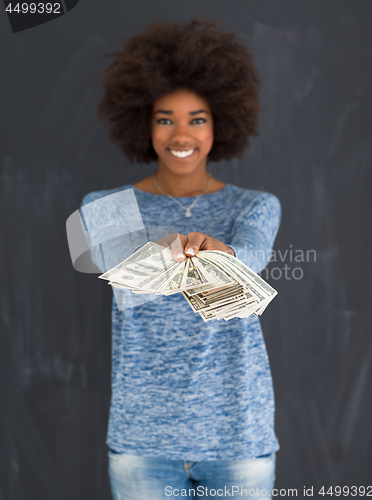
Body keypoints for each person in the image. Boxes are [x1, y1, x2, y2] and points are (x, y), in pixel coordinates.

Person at [81, 18, 282, 500]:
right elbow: (116, 265)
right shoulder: (103, 206)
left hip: (237, 436)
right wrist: (161, 252)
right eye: (164, 118)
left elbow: (253, 252)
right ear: (143, 123)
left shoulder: (254, 205)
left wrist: (224, 255)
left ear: (221, 124)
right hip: (142, 442)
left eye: (198, 118)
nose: (180, 134)